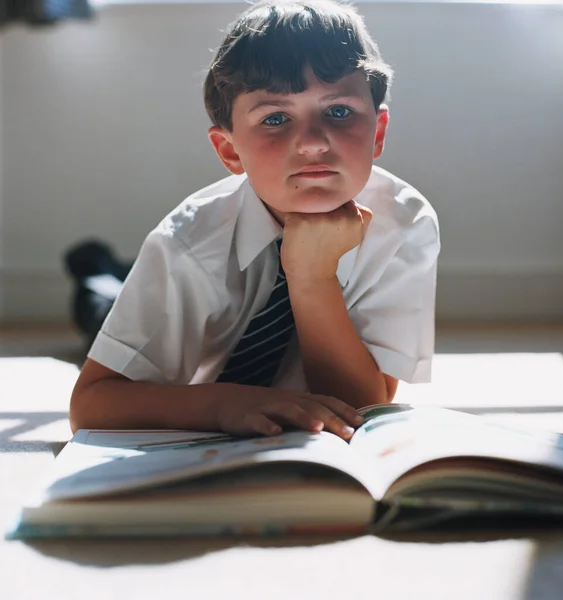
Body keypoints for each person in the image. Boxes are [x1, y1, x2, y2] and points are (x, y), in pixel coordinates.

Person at [69, 0, 440, 441]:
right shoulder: (185, 242)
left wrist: (312, 277)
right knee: (101, 301)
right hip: (178, 315)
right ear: (229, 151)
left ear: (377, 133)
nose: (313, 143)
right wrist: (229, 401)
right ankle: (97, 268)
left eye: (339, 111)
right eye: (276, 118)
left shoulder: (404, 223)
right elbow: (92, 405)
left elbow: (364, 411)